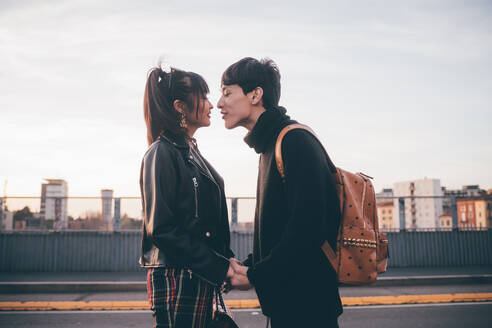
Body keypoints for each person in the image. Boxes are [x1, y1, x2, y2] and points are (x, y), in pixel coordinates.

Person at [218, 57, 343, 327]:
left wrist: (256, 275)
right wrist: (248, 267)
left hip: (308, 308)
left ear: (255, 95)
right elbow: (279, 232)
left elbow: (308, 229)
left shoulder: (294, 141)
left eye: (227, 92)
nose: (219, 103)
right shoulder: (271, 146)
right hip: (288, 304)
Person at [140, 65, 235, 328]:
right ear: (180, 106)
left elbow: (200, 223)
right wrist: (219, 266)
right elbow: (161, 228)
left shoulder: (189, 152)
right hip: (178, 277)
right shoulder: (161, 152)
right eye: (203, 97)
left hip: (195, 274)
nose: (211, 105)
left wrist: (224, 261)